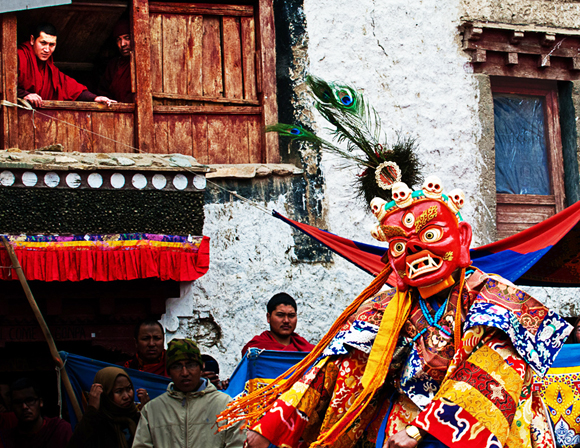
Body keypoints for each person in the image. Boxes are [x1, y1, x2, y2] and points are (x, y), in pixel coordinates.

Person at [220, 175, 571, 448]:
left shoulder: (491, 296)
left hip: (475, 431)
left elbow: (494, 370)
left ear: (462, 237)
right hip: (395, 428)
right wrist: (274, 424)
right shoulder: (385, 307)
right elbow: (337, 364)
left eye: (430, 233)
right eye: (400, 244)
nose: (416, 249)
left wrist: (422, 428)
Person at [132, 338, 245, 448]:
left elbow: (238, 444)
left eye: (191, 365)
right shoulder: (152, 411)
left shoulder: (227, 406)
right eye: (177, 366)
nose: (185, 373)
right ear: (169, 372)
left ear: (201, 368)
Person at [18, 23, 115, 108]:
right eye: (43, 43)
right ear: (32, 40)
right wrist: (24, 95)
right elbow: (4, 86)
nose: (47, 49)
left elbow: (71, 89)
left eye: (51, 45)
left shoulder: (50, 68)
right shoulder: (19, 57)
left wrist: (95, 98)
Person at [67, 367, 142, 448]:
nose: (126, 396)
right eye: (119, 391)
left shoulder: (137, 418)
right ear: (106, 395)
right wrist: (92, 409)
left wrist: (148, 411)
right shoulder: (97, 424)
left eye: (129, 389)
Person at [0, 378, 72, 448]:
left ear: (40, 402)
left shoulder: (60, 430)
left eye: (30, 400)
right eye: (18, 402)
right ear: (12, 406)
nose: (24, 407)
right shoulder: (6, 439)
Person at [241, 293, 315, 355]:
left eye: (291, 315)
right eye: (280, 315)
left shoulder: (308, 351)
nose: (286, 320)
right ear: (268, 317)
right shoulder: (256, 349)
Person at [97, 20, 134, 103]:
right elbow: (103, 90)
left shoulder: (141, 62)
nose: (122, 44)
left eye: (127, 38)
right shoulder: (113, 65)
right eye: (118, 40)